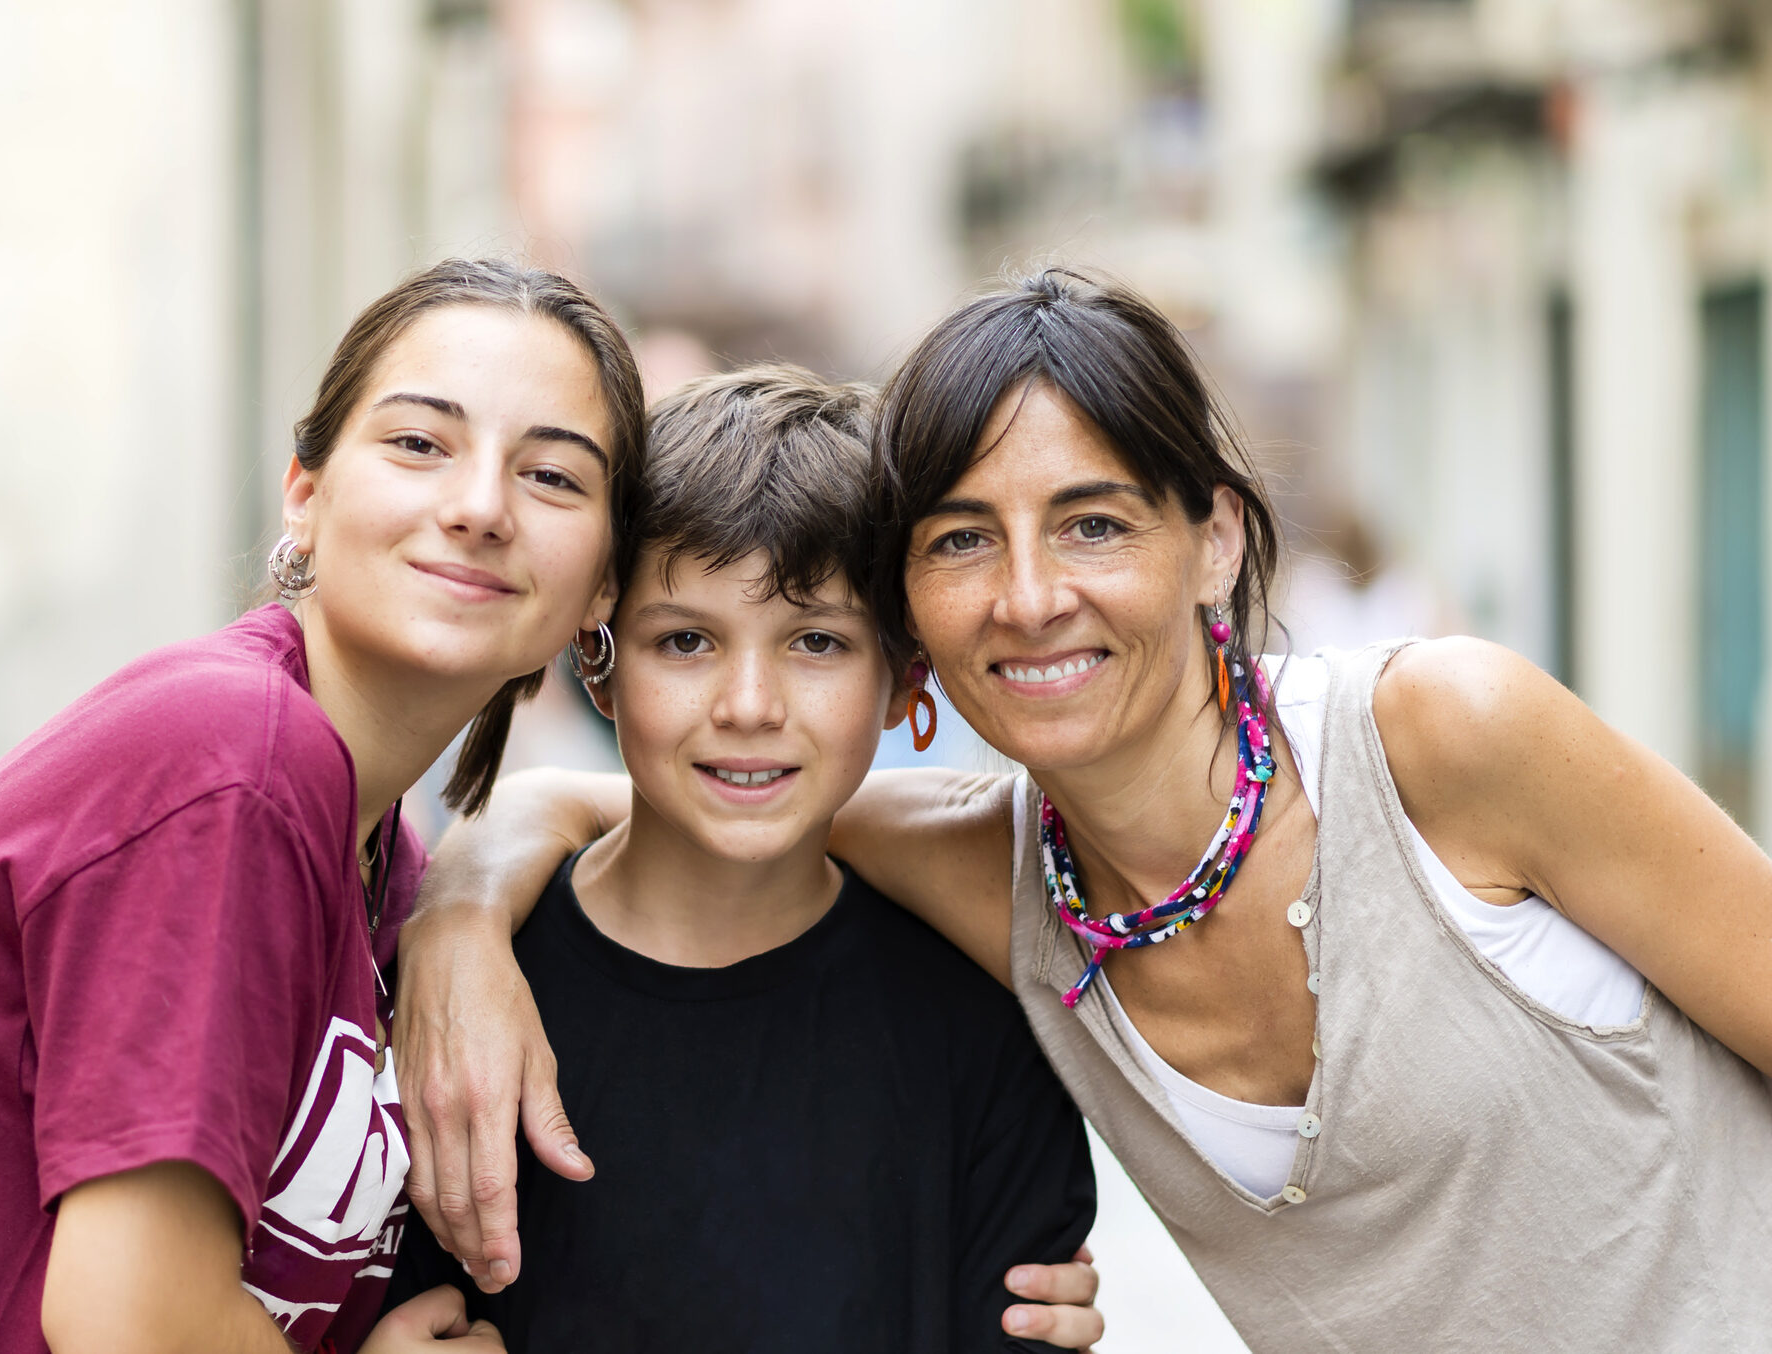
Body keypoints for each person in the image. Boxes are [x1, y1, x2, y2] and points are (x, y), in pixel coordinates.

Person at [395, 269, 1772, 1352]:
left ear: (1215, 536)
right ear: (917, 621)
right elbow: (647, 802)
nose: (1031, 592)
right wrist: (458, 915)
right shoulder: (993, 883)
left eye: (1096, 523)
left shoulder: (1439, 736)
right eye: (961, 539)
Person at [0, 256, 647, 1354]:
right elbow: (129, 1322)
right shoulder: (234, 766)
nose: (479, 506)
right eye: (418, 443)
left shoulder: (379, 852)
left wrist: (479, 882)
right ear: (304, 495)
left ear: (602, 584)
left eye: (553, 476)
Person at [382, 366, 1097, 1353]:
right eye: (684, 641)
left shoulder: (978, 1033)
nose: (749, 704)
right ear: (595, 659)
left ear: (904, 681)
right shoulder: (467, 1007)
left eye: (814, 640)